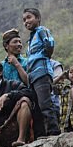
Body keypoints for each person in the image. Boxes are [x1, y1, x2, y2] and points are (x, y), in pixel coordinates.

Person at [22, 7, 61, 136]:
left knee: (45, 103)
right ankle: (41, 134)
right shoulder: (31, 38)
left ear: (38, 18)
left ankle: (54, 131)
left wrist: (46, 56)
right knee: (37, 107)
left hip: (42, 72)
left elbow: (49, 44)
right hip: (33, 76)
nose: (26, 21)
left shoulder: (41, 31)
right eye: (24, 20)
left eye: (29, 17)